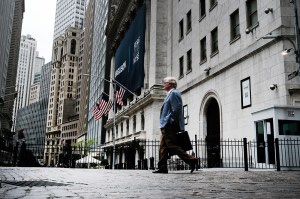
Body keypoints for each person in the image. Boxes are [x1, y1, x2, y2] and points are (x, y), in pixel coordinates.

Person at [153, 77, 197, 174]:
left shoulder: (174, 93)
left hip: (169, 125)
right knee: (163, 147)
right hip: (166, 124)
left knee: (171, 145)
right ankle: (163, 167)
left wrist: (170, 121)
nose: (163, 85)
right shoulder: (170, 94)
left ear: (171, 84)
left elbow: (176, 109)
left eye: (165, 83)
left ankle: (191, 160)